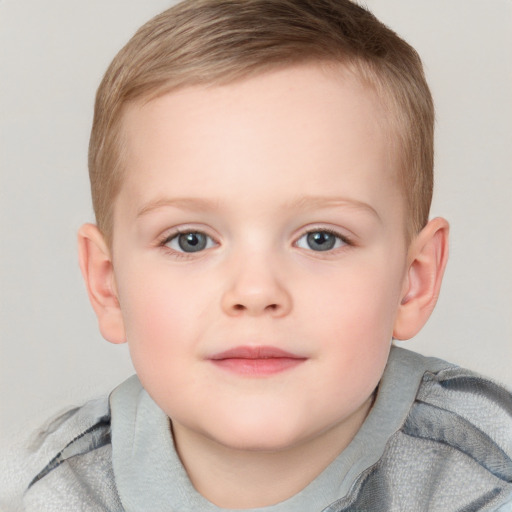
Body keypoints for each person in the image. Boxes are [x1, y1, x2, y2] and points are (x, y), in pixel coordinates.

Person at [17, 0, 512, 510]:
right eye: (191, 240)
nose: (255, 292)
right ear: (108, 285)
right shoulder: (54, 489)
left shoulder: (485, 471)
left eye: (322, 238)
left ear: (414, 279)